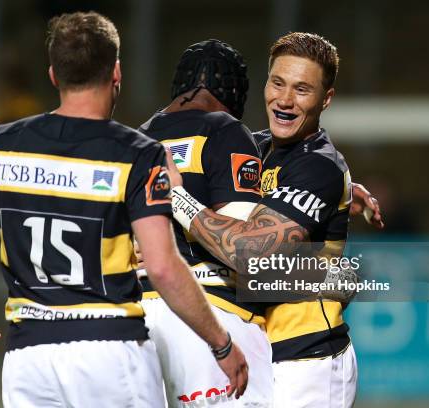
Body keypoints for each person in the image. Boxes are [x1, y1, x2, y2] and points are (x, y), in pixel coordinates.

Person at [0, 11, 248, 407]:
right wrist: (220, 344)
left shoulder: (3, 144)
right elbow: (163, 267)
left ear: (54, 75)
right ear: (116, 71)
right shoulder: (137, 154)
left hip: (28, 359)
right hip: (110, 351)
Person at [164, 32, 370, 407]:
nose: (285, 100)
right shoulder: (254, 148)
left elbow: (250, 253)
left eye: (302, 90)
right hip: (259, 350)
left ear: (326, 99)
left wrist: (176, 198)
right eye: (278, 83)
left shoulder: (319, 165)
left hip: (309, 358)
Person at [137, 39, 273, 407]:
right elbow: (244, 251)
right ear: (234, 90)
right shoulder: (225, 130)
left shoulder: (134, 140)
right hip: (209, 315)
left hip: (134, 323)